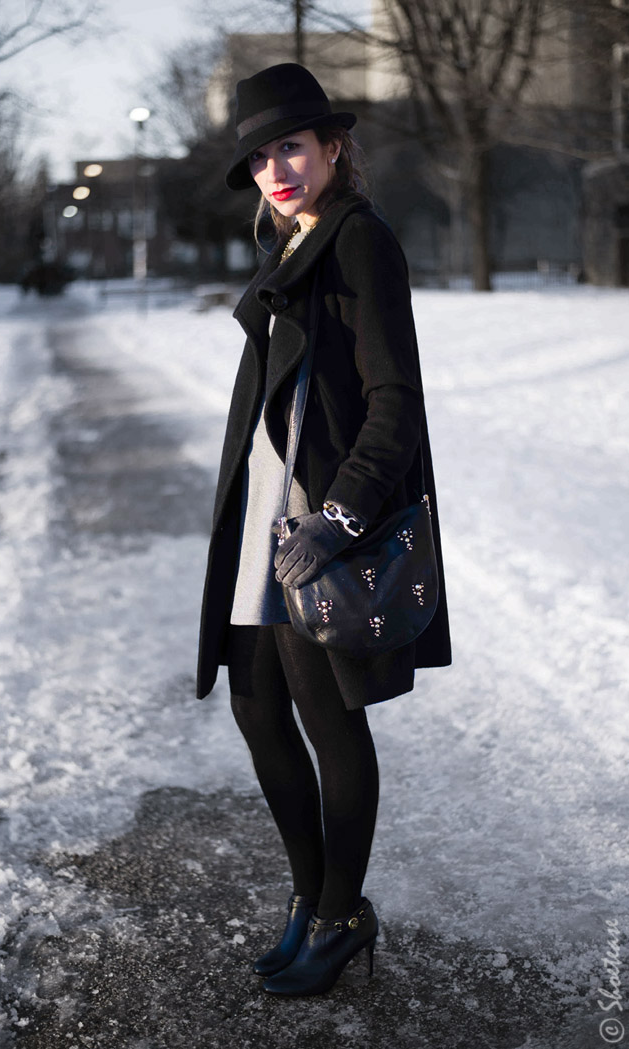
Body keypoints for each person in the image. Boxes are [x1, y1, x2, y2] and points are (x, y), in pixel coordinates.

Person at [196, 63, 451, 997]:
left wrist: (340, 517)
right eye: (261, 157)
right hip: (266, 510)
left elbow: (397, 401)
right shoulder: (290, 243)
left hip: (317, 516)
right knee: (256, 707)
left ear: (334, 147)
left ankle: (343, 912)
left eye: (291, 147)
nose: (276, 168)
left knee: (327, 719)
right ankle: (311, 900)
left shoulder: (357, 241)